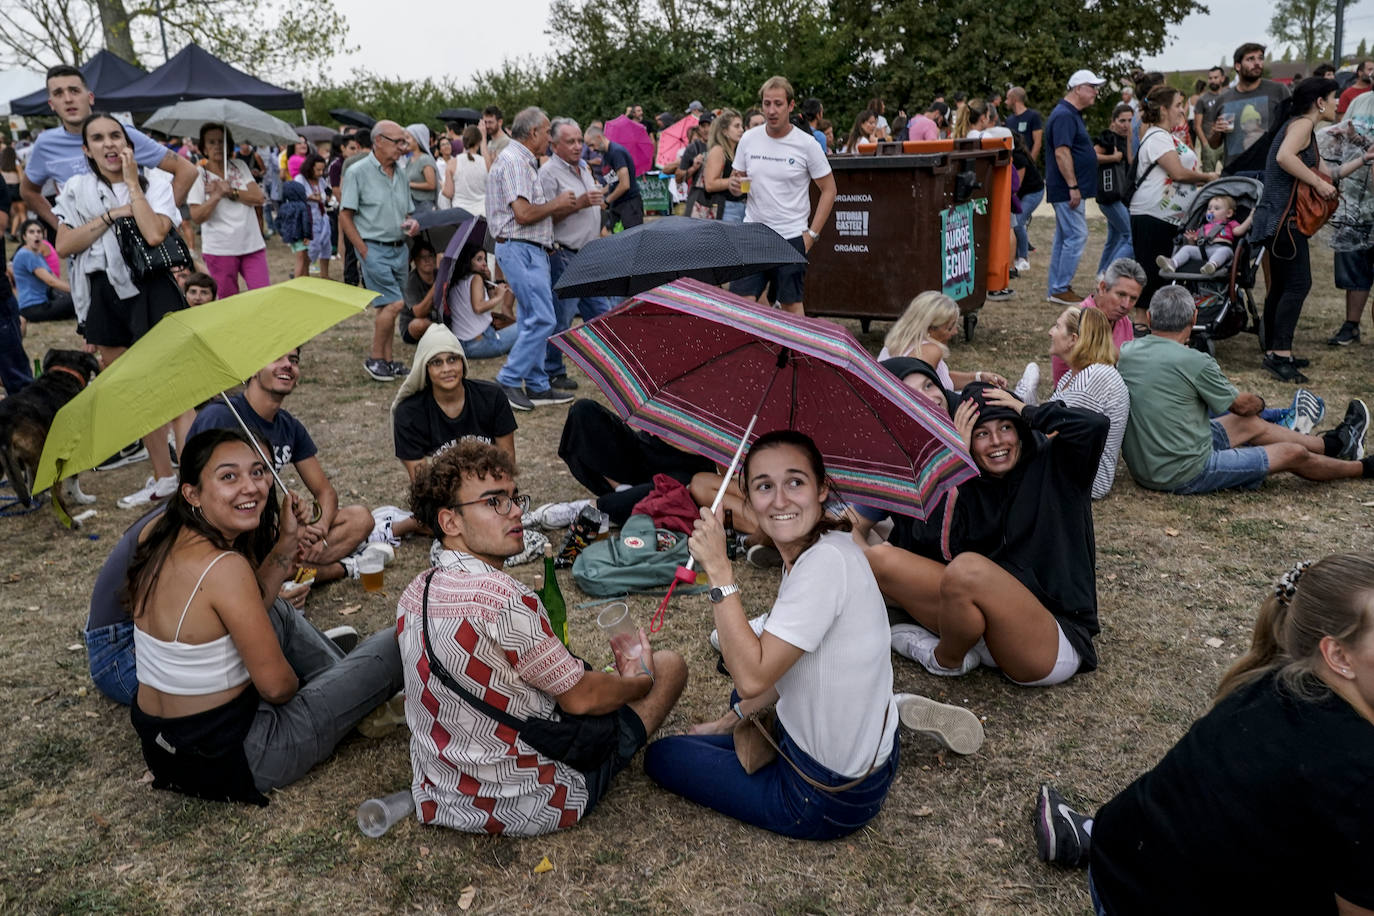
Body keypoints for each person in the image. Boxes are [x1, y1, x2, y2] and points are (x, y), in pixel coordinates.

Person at [1038, 555, 1374, 916]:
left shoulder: (1272, 679)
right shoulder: (1358, 768)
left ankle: (1080, 832)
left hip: (1118, 862)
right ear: (1337, 655)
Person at [644, 431, 926, 839]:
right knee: (741, 698)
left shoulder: (823, 566)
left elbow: (754, 676)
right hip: (868, 764)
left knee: (664, 756)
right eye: (764, 486)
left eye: (795, 482)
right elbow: (783, 665)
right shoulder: (826, 544)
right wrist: (730, 721)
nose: (779, 500)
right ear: (747, 496)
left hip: (826, 797)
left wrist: (720, 570)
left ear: (822, 487)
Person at [397, 439, 687, 835]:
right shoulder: (502, 598)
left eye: (515, 499)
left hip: (440, 797)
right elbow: (580, 697)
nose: (516, 511)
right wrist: (638, 682)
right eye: (494, 501)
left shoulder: (416, 591)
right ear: (450, 522)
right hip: (529, 802)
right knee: (669, 666)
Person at [126, 428, 404, 804]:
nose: (252, 487)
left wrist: (287, 541)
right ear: (191, 492)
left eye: (257, 472)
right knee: (397, 640)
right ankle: (354, 693)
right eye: (229, 476)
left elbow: (252, 600)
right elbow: (278, 688)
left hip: (166, 751)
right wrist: (286, 674)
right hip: (241, 758)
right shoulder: (224, 568)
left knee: (273, 609)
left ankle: (348, 688)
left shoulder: (156, 532)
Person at [870, 382, 1108, 685]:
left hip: (1049, 641)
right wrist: (953, 461)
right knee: (879, 558)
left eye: (1006, 427)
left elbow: (1094, 426)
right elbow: (931, 548)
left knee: (967, 570)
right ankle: (971, 649)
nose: (996, 442)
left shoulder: (1058, 466)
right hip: (990, 624)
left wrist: (1027, 410)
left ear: (1021, 429)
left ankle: (945, 659)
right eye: (982, 433)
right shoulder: (969, 480)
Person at [53, 113, 193, 510]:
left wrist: (132, 185)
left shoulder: (156, 181)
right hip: (103, 292)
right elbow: (65, 245)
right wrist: (112, 215)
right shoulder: (76, 189)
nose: (109, 144)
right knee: (135, 389)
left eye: (117, 136)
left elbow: (153, 233)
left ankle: (192, 478)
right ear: (87, 150)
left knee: (179, 390)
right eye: (98, 138)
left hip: (152, 289)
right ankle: (165, 477)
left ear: (129, 144)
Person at [1118, 285, 1374, 493]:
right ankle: (1361, 468)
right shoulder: (1193, 361)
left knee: (1250, 425)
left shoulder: (1127, 351)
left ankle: (1332, 444)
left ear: (1149, 318)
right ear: (1194, 317)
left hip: (1146, 466)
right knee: (1291, 452)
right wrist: (1260, 403)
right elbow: (1242, 406)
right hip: (1184, 471)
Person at [187, 348, 383, 584]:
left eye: (294, 360)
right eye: (276, 357)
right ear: (254, 369)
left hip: (268, 527)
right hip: (231, 532)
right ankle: (342, 568)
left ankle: (294, 568)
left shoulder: (289, 426)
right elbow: (199, 492)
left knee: (360, 519)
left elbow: (325, 492)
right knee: (280, 565)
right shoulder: (220, 417)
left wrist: (319, 530)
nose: (288, 365)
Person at [1251, 77, 1374, 382]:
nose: (1336, 104)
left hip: (1277, 220)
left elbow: (1328, 172)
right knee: (1297, 285)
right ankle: (1279, 355)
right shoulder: (1303, 125)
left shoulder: (1299, 127)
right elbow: (1284, 158)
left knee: (1281, 286)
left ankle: (1276, 351)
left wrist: (1363, 160)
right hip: (1285, 220)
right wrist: (1317, 183)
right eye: (1333, 98)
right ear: (1320, 102)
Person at [20, 64, 197, 234]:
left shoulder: (121, 134)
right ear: (51, 104)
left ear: (90, 97)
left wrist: (161, 218)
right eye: (59, 93)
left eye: (74, 91)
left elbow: (187, 170)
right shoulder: (45, 144)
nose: (68, 99)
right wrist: (61, 226)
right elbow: (28, 191)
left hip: (134, 255)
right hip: (86, 256)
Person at [488, 107, 578, 411]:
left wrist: (545, 239)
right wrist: (557, 204)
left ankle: (537, 385)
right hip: (520, 247)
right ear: (534, 133)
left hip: (528, 248)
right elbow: (523, 214)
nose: (551, 137)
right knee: (542, 318)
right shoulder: (515, 161)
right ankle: (509, 378)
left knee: (531, 318)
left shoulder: (522, 161)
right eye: (548, 129)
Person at [729, 75, 838, 315]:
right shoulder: (749, 139)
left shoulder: (806, 144)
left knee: (790, 305)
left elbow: (830, 190)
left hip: (790, 236)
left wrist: (811, 235)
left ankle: (794, 352)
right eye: (767, 104)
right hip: (754, 233)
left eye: (778, 104)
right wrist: (734, 186)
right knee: (741, 301)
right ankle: (756, 350)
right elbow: (736, 179)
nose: (771, 110)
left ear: (790, 106)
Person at [1019, 307, 1131, 499]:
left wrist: (1023, 412)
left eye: (1057, 326)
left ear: (1073, 339)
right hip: (1073, 467)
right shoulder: (1075, 375)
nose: (1050, 332)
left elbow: (1055, 432)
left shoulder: (1093, 377)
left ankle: (1023, 401)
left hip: (1088, 480)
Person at [1127, 86, 1218, 309]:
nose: (1182, 110)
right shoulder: (1158, 137)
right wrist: (1208, 177)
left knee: (1162, 275)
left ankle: (1156, 323)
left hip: (1166, 217)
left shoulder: (1165, 136)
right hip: (1153, 214)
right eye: (1178, 105)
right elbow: (1177, 172)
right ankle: (1142, 324)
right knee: (1152, 274)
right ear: (1164, 110)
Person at [391, 323, 518, 482]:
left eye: (452, 359)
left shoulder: (492, 397)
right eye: (437, 362)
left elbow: (507, 465)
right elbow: (422, 483)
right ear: (425, 368)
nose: (446, 369)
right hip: (442, 498)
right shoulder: (409, 413)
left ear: (462, 362)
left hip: (490, 490)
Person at [339, 120, 414, 382]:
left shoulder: (401, 173)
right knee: (395, 303)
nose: (403, 148)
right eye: (398, 142)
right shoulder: (357, 172)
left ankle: (387, 361)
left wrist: (412, 223)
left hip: (399, 248)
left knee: (386, 307)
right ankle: (375, 358)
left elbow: (407, 210)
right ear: (379, 141)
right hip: (374, 249)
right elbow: (345, 215)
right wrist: (363, 250)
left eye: (404, 142)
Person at [540, 117, 609, 388]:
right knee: (562, 319)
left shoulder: (583, 167)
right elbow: (544, 220)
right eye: (571, 141)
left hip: (590, 253)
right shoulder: (548, 174)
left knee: (601, 315)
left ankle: (608, 369)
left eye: (580, 140)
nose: (578, 146)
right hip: (565, 255)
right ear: (555, 145)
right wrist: (578, 205)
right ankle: (553, 371)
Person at [1045, 70, 1106, 305]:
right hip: (1066, 188)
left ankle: (1056, 288)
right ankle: (1060, 288)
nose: (1096, 93)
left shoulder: (1069, 114)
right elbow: (1062, 152)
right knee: (1077, 235)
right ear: (1078, 88)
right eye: (1092, 87)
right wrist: (1073, 186)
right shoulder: (1065, 116)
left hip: (1066, 188)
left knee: (1065, 237)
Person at [187, 125, 268, 298]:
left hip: (252, 244)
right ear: (203, 148)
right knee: (228, 302)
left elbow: (258, 197)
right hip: (220, 249)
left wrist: (231, 191)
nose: (217, 146)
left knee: (263, 295)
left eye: (222, 141)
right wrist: (216, 196)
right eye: (211, 142)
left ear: (229, 145)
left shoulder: (239, 166)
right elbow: (197, 216)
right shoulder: (198, 175)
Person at [877, 290, 1007, 389]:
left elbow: (940, 379)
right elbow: (918, 394)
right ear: (929, 328)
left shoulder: (895, 344)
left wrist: (978, 377)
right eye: (949, 328)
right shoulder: (930, 351)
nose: (955, 332)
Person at [1045, 257, 1144, 385]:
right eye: (1121, 295)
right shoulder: (1077, 318)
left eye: (1133, 299)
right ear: (1103, 287)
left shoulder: (1124, 322)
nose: (1126, 305)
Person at [1206, 43, 1291, 174]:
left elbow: (1293, 129)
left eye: (1260, 58)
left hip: (1270, 172)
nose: (1257, 63)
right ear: (1237, 66)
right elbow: (1214, 144)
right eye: (1251, 59)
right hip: (1234, 172)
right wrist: (1217, 132)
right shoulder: (1223, 99)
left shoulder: (1279, 91)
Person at [446, 245, 516, 359]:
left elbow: (487, 304)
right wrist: (499, 296)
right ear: (468, 261)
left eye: (484, 259)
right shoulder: (475, 278)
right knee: (528, 327)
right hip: (479, 342)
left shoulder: (457, 280)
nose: (484, 263)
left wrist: (488, 282)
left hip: (462, 344)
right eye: (479, 259)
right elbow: (478, 307)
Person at [1156, 193, 1252, 274]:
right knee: (1187, 249)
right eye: (1209, 208)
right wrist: (1191, 240)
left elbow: (1239, 231)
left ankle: (1212, 265)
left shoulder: (1229, 223)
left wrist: (1250, 217)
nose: (1211, 210)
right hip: (1204, 250)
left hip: (1222, 248)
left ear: (1228, 213)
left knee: (1223, 251)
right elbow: (1195, 245)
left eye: (1216, 208)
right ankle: (1173, 263)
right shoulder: (1203, 227)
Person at [1094, 104, 1135, 274]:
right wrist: (1114, 157)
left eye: (1130, 121)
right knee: (1131, 236)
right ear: (1114, 121)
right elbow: (1092, 156)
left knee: (1114, 238)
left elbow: (1132, 163)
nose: (1126, 125)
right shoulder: (1108, 137)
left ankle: (1101, 273)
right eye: (1122, 121)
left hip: (1120, 195)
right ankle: (1109, 273)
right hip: (1110, 195)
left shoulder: (1128, 139)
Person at [11, 217, 74, 323]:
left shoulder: (37, 254)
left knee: (72, 299)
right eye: (31, 232)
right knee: (75, 301)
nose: (36, 235)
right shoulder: (26, 254)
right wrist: (76, 291)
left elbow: (53, 277)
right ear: (24, 237)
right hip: (33, 308)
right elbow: (51, 281)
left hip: (44, 302)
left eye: (39, 232)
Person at [583, 123, 643, 232]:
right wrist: (599, 192)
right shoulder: (606, 154)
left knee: (632, 241)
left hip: (629, 205)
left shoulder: (616, 152)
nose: (591, 150)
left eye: (591, 145)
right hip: (617, 205)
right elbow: (613, 183)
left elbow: (624, 184)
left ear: (599, 137)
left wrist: (606, 201)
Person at [702, 109, 747, 222]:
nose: (741, 130)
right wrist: (732, 181)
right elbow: (710, 184)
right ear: (725, 131)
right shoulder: (718, 150)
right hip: (727, 208)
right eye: (736, 126)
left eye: (741, 126)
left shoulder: (738, 150)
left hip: (743, 206)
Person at [295, 152, 333, 280]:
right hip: (308, 219)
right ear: (310, 167)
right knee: (311, 248)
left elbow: (325, 196)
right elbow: (297, 195)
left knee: (326, 246)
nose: (321, 172)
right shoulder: (300, 179)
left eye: (322, 169)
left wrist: (320, 198)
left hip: (322, 217)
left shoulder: (320, 180)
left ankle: (325, 275)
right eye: (318, 169)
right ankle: (305, 276)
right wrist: (313, 197)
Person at [444, 125, 488, 217]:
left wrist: (442, 187)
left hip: (460, 213)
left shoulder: (452, 163)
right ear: (479, 142)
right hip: (483, 213)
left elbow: (448, 193)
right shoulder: (486, 163)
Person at [1194, 66, 1230, 175]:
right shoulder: (1202, 100)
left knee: (1230, 176)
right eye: (1210, 78)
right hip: (1210, 143)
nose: (1212, 80)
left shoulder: (1229, 96)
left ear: (1222, 79)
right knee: (1209, 180)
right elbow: (1197, 126)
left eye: (1215, 77)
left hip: (1227, 144)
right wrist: (1205, 145)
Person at [404, 124, 438, 214]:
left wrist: (409, 184)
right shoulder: (409, 159)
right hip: (411, 205)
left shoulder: (425, 159)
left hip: (423, 206)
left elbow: (431, 185)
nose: (405, 141)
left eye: (407, 138)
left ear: (417, 139)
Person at [1005, 87, 1043, 161]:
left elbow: (1038, 143)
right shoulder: (1009, 120)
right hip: (1014, 166)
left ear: (1014, 99)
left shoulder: (1033, 116)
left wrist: (1030, 164)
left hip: (1028, 164)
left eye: (1007, 98)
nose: (1005, 102)